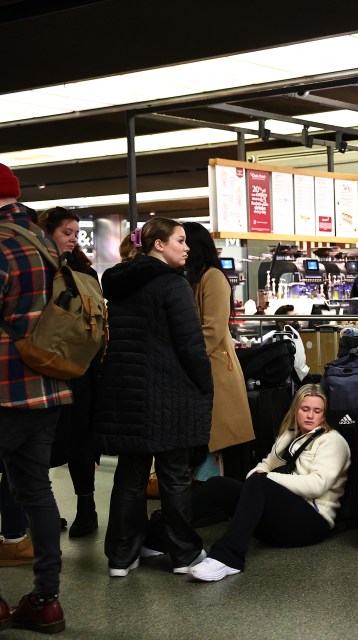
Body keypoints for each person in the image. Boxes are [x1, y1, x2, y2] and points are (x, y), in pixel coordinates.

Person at [94, 217, 213, 578]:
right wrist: (205, 385)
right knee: (174, 474)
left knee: (130, 475)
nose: (187, 246)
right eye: (179, 240)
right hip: (168, 393)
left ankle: (121, 555)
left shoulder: (119, 282)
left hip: (126, 391)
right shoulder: (172, 284)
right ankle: (184, 554)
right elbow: (191, 345)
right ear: (158, 245)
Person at [0, 164, 70, 633]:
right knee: (38, 493)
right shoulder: (46, 241)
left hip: (4, 389)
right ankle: (46, 601)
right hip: (49, 384)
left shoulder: (1, 244)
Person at [188, 384, 350, 582]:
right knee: (218, 485)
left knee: (260, 482)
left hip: (312, 522)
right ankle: (161, 537)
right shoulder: (289, 435)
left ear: (324, 415)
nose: (310, 416)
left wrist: (264, 478)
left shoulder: (332, 441)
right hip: (282, 518)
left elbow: (317, 485)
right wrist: (256, 479)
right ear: (295, 409)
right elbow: (265, 465)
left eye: (317, 411)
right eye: (305, 409)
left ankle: (228, 557)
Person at [38, 207, 100, 538]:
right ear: (47, 232)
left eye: (75, 232)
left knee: (74, 439)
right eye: (67, 232)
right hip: (71, 368)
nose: (73, 238)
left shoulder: (78, 273)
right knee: (51, 440)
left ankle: (86, 508)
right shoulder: (59, 271)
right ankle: (50, 509)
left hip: (72, 368)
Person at [182, 223, 255, 482]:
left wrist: (183, 356)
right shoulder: (190, 277)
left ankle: (214, 496)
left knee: (218, 441)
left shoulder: (211, 277)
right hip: (203, 369)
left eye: (183, 241)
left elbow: (211, 330)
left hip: (214, 370)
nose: (180, 247)